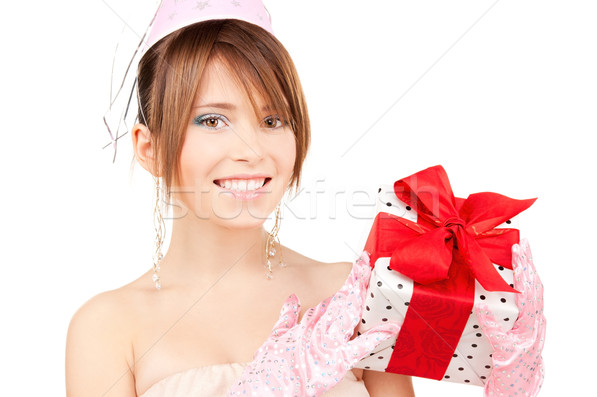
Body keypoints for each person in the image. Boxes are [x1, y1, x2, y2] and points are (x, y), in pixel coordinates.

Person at [66, 1, 545, 396]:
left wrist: (510, 381)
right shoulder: (106, 330)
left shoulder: (352, 295)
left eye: (273, 120)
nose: (252, 151)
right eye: (212, 120)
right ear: (149, 149)